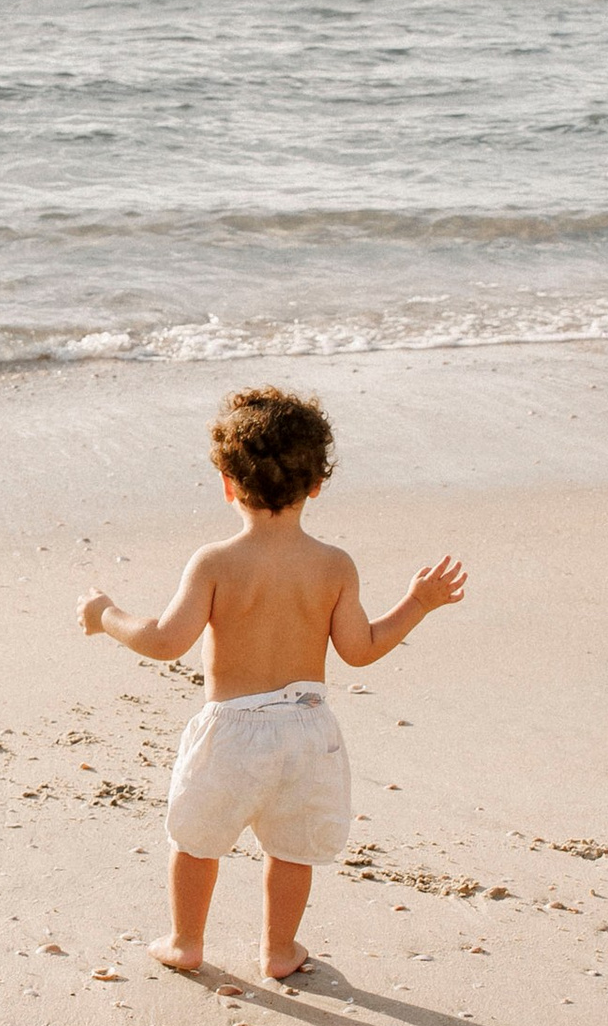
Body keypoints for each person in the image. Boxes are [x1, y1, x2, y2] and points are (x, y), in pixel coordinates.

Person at [79, 386, 465, 984]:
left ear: (228, 483)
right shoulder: (334, 565)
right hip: (309, 729)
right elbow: (360, 651)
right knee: (291, 846)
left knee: (199, 840)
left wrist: (105, 615)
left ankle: (186, 941)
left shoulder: (215, 562)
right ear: (316, 484)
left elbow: (162, 641)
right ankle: (279, 949)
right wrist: (417, 602)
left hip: (233, 731)